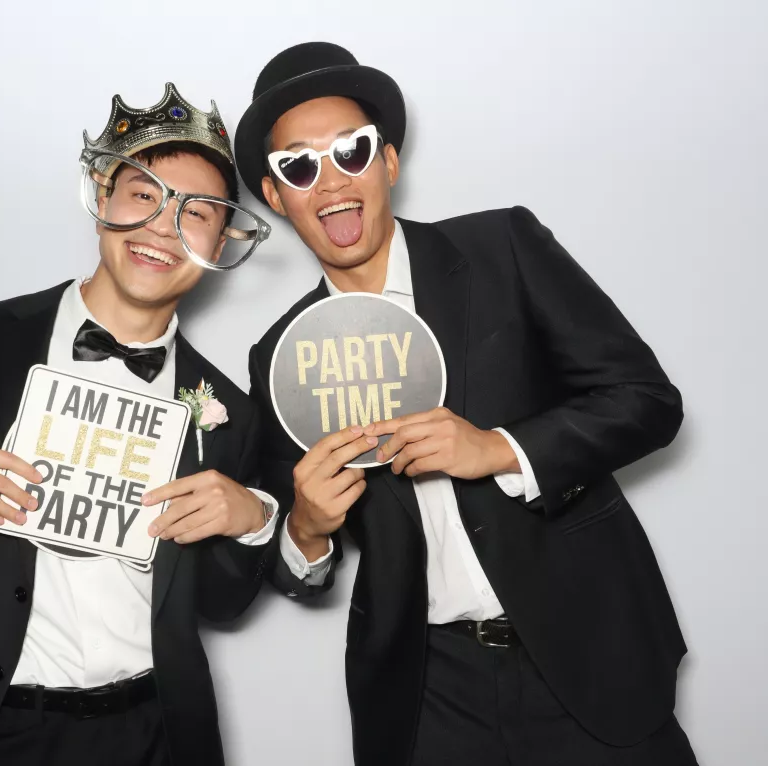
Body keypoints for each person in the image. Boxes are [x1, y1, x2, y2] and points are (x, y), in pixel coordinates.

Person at [238, 43, 697, 766]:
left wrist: (500, 450)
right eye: (299, 167)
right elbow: (294, 565)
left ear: (389, 162)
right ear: (275, 195)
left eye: (351, 152)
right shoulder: (281, 355)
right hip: (428, 694)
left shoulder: (500, 247)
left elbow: (647, 400)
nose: (331, 181)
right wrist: (307, 529)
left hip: (589, 653)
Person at [0, 82, 277, 766]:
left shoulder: (228, 410)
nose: (163, 227)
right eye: (144, 195)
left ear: (219, 241)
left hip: (154, 734)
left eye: (195, 213)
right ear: (102, 200)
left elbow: (221, 601)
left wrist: (252, 521)